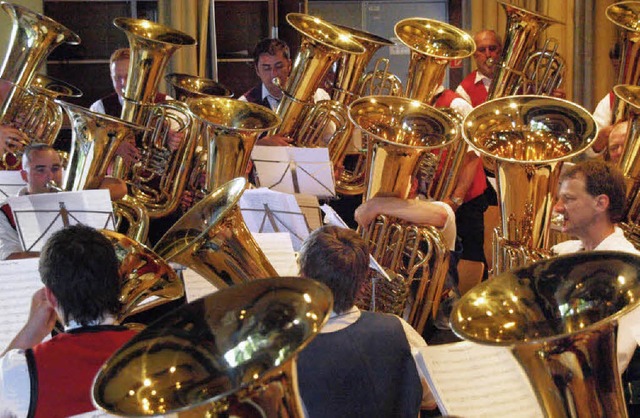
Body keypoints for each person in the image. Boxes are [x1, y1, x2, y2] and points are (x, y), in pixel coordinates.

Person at [296, 225, 436, 417]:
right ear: (362, 285)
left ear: (303, 279)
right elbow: (430, 399)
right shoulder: (399, 329)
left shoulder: (289, 355)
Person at [0, 224, 137, 417]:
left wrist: (30, 332)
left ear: (50, 296)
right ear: (118, 280)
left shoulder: (20, 371)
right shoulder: (156, 351)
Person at [550, 160, 640, 375]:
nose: (558, 208)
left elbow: (615, 358)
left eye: (569, 199)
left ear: (601, 203)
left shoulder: (629, 269)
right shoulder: (561, 252)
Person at [0, 143, 127, 260]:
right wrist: (62, 255)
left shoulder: (71, 187)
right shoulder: (7, 210)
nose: (50, 176)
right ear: (24, 175)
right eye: (40, 170)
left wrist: (81, 194)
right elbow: (11, 257)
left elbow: (120, 187)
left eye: (55, 169)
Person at [239, 38, 331, 146]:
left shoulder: (318, 96)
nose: (274, 74)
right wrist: (261, 144)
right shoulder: (245, 105)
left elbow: (331, 138)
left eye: (279, 66)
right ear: (257, 70)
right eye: (267, 68)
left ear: (289, 65)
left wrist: (321, 122)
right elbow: (237, 149)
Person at [455, 30, 502, 107]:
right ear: (474, 55)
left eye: (492, 48)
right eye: (482, 50)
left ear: (500, 50)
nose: (488, 54)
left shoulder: (517, 80)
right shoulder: (463, 90)